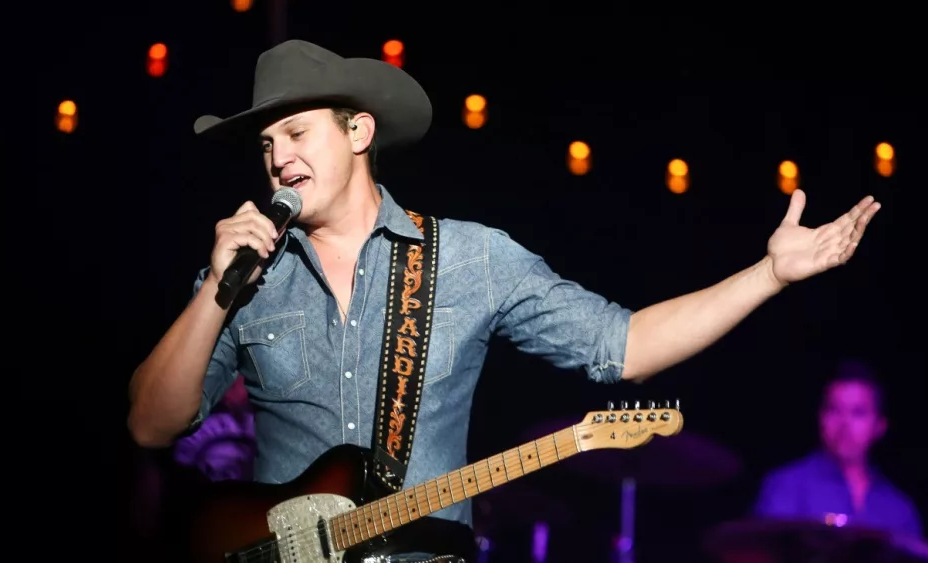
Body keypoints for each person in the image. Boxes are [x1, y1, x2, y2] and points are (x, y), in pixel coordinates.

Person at [126, 39, 880, 563]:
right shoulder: (251, 276)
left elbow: (626, 344)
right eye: (264, 145)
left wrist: (769, 275)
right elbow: (150, 423)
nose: (278, 157)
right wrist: (217, 290)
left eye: (294, 131)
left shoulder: (470, 257)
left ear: (358, 131)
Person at [754, 361, 921, 537]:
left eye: (858, 412)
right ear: (820, 418)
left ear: (879, 426)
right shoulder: (787, 486)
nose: (844, 424)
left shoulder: (898, 509)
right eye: (834, 410)